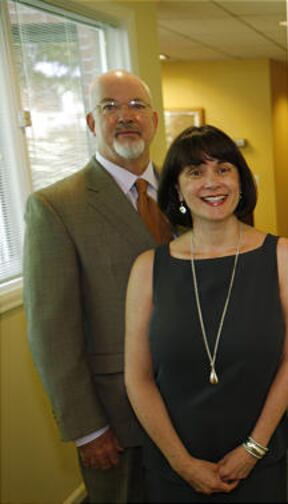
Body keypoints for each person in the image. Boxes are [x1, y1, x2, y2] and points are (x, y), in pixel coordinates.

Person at [125, 125, 288, 502]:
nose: (212, 182)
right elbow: (138, 377)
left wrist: (253, 448)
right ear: (177, 189)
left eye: (223, 169)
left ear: (241, 180)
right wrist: (182, 463)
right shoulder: (148, 268)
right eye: (195, 172)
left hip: (259, 457)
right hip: (173, 463)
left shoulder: (281, 255)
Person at [24, 70, 170, 502]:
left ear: (154, 120)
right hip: (116, 413)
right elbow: (52, 333)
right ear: (91, 123)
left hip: (193, 402)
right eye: (109, 107)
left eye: (136, 106)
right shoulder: (56, 207)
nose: (125, 116)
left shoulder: (189, 191)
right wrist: (87, 427)